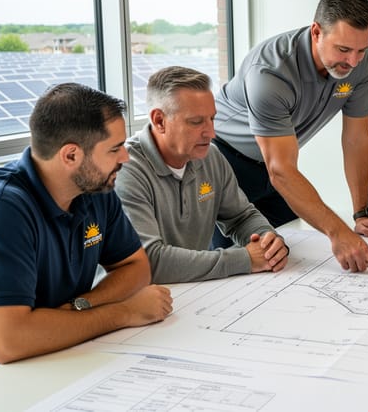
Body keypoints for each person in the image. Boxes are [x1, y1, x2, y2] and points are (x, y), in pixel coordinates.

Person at [212, 0, 368, 277]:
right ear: (316, 32)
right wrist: (338, 233)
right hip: (226, 164)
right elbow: (282, 171)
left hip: (274, 167)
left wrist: (361, 215)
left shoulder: (361, 63)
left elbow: (357, 137)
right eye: (343, 49)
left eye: (361, 50)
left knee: (289, 255)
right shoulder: (270, 72)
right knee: (238, 265)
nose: (353, 62)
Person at [0, 83, 173, 367]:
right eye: (114, 149)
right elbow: (7, 342)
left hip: (61, 354)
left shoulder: (95, 190)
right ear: (71, 155)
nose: (125, 157)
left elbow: (136, 267)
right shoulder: (1, 209)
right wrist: (124, 312)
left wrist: (80, 307)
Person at [114, 67, 290, 284]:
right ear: (159, 121)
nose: (211, 133)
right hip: (142, 300)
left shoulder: (210, 156)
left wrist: (267, 241)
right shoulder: (125, 170)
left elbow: (241, 217)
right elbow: (150, 261)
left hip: (193, 292)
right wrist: (244, 259)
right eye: (196, 122)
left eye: (212, 119)